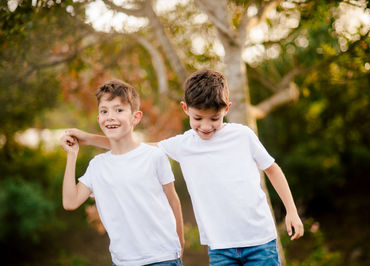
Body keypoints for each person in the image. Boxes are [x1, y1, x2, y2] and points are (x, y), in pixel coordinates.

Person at [66, 70, 303, 265]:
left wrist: (291, 211)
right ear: (185, 109)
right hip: (220, 248)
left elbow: (272, 169)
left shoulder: (243, 135)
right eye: (198, 118)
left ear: (227, 109)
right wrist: (87, 138)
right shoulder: (183, 144)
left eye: (215, 118)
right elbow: (133, 145)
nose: (206, 126)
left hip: (260, 241)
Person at [60, 79, 184, 266]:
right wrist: (72, 155)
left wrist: (180, 241)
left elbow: (173, 200)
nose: (110, 116)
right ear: (99, 118)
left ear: (136, 117)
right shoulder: (97, 166)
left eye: (119, 110)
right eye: (104, 111)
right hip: (123, 261)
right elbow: (70, 202)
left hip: (162, 257)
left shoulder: (154, 157)